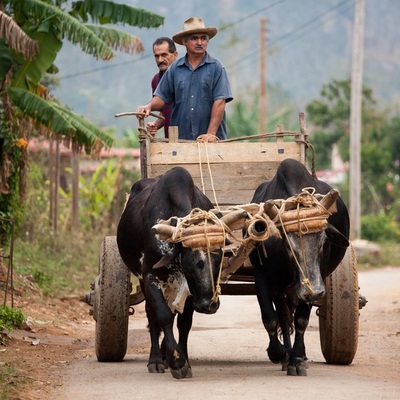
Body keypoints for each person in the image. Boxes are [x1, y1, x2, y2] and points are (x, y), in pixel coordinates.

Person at [136, 17, 233, 142]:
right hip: (181, 141)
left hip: (212, 142)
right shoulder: (175, 69)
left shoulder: (216, 68)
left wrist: (210, 134)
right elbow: (162, 97)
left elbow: (220, 102)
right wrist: (149, 106)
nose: (200, 42)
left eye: (203, 38)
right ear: (184, 41)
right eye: (194, 38)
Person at [146, 37, 178, 138]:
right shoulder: (156, 80)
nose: (160, 60)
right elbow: (164, 112)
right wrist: (156, 125)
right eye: (157, 56)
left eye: (164, 55)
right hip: (170, 139)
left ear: (175, 55)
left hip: (190, 138)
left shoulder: (184, 76)